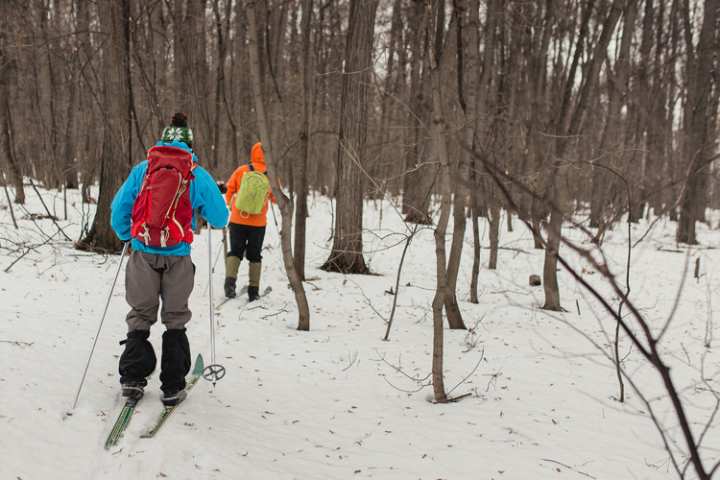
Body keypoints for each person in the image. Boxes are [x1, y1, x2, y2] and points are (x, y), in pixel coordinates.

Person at [110, 112, 229, 406]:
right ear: (190, 144)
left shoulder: (143, 170)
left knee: (139, 314)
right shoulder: (196, 174)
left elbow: (118, 210)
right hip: (178, 256)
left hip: (142, 253)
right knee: (175, 318)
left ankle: (133, 378)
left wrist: (130, 236)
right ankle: (173, 384)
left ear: (161, 140)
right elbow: (221, 217)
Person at [224, 142, 275, 302]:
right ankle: (253, 290)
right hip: (258, 223)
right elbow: (276, 197)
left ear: (253, 153)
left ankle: (230, 284)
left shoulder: (241, 170)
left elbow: (229, 189)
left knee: (235, 252)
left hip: (238, 219)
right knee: (254, 255)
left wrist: (232, 206)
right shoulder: (271, 174)